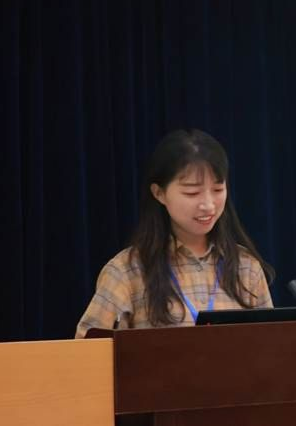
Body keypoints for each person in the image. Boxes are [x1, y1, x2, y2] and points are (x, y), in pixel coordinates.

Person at [75, 129, 274, 338]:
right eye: (192, 192)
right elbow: (87, 351)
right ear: (159, 193)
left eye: (218, 189)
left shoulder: (246, 267)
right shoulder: (127, 271)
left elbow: (272, 346)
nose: (208, 205)